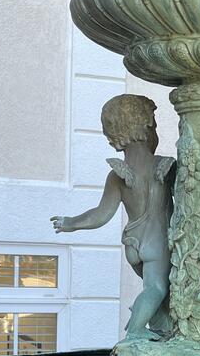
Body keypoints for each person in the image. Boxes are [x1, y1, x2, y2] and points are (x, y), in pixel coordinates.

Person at [52, 94, 174, 340]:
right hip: (157, 243)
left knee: (159, 291)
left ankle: (161, 325)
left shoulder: (119, 175)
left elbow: (101, 215)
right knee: (157, 287)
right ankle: (136, 331)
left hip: (133, 243)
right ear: (148, 126)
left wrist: (71, 223)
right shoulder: (165, 166)